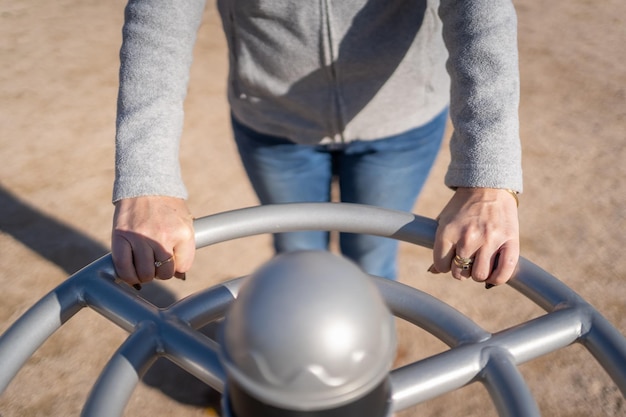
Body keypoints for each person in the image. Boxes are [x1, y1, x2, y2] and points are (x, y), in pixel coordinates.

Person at [111, 0, 522, 288]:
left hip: (401, 120)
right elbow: (159, 18)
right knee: (296, 255)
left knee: (373, 259)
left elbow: (480, 13)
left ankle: (365, 371)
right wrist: (147, 180)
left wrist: (487, 179)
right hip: (273, 122)